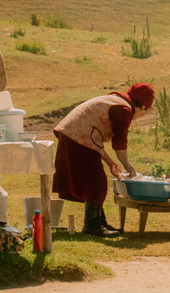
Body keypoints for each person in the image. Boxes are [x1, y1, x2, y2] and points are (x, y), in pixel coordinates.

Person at [52, 83, 155, 237]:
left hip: (74, 134)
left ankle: (99, 223)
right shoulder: (123, 109)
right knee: (96, 181)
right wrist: (127, 165)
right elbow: (119, 143)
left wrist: (111, 162)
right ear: (144, 107)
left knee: (95, 180)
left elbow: (95, 140)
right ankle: (92, 226)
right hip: (77, 136)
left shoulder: (116, 101)